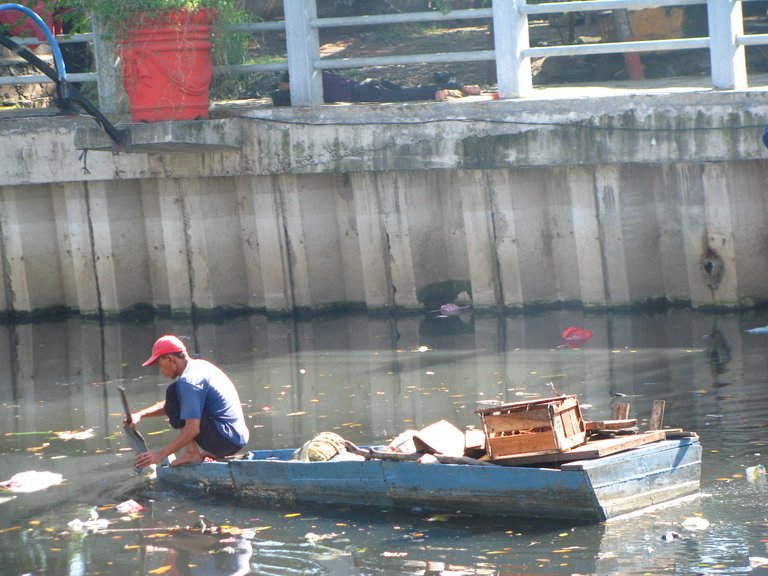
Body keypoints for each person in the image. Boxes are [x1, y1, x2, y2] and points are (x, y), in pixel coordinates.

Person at [127, 335, 249, 467]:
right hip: (236, 438)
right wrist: (140, 415)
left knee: (172, 392)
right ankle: (202, 453)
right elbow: (174, 405)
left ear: (170, 359)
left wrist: (160, 455)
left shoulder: (188, 381)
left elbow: (192, 428)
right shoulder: (201, 366)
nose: (161, 371)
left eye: (160, 365)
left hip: (224, 439)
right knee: (175, 394)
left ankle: (192, 453)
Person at [271, 71, 481, 106]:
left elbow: (282, 89)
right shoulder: (318, 73)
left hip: (360, 92)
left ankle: (438, 91)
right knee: (405, 89)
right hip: (365, 84)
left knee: (403, 94)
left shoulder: (306, 83)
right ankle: (458, 86)